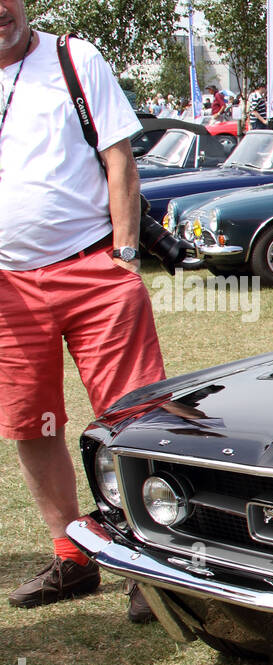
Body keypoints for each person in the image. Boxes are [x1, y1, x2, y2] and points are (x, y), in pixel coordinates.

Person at [0, 3, 166, 621]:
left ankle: (147, 560)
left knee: (132, 420)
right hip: (9, 287)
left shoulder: (74, 57)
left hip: (95, 269)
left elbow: (119, 158)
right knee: (30, 424)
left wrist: (124, 257)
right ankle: (72, 555)